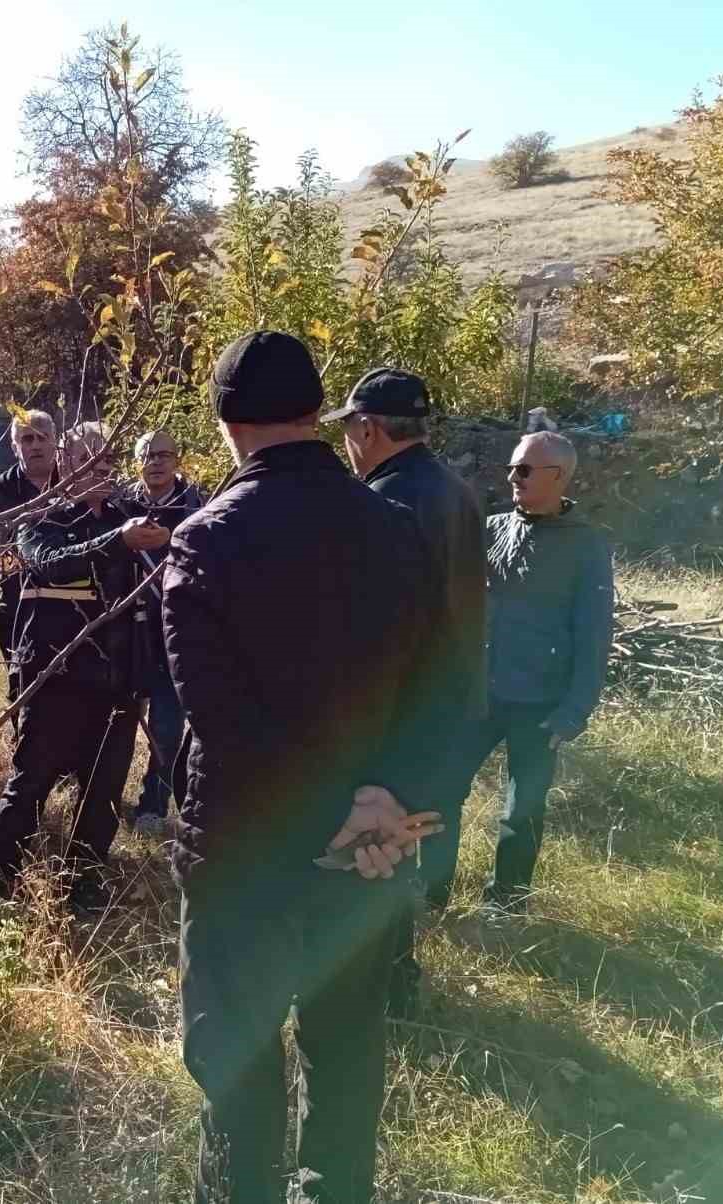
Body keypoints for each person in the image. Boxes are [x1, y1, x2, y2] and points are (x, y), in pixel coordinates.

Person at [163, 330, 441, 1204]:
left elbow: (223, 721)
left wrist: (341, 815)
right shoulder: (396, 527)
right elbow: (438, 683)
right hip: (367, 854)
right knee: (348, 1049)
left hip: (248, 849)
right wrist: (394, 808)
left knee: (237, 1055)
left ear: (224, 422)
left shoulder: (205, 541)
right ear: (320, 413)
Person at [329, 367, 486, 1016]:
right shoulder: (459, 491)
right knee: (400, 856)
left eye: (348, 429)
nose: (346, 442)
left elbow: (372, 632)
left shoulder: (381, 503)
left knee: (370, 862)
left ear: (368, 428)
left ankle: (380, 993)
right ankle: (395, 982)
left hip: (395, 718)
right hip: (451, 711)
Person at [0, 421, 169, 910]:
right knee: (31, 784)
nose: (105, 470)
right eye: (94, 461)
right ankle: (0, 884)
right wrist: (118, 541)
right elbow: (50, 562)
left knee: (104, 793)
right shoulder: (39, 518)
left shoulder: (132, 516)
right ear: (67, 464)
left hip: (119, 684)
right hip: (57, 679)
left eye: (111, 461)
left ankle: (84, 887)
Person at [470, 431, 613, 915]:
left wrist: (574, 712)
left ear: (560, 477)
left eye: (526, 470)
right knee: (440, 787)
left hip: (540, 702)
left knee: (521, 809)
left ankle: (506, 904)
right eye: (513, 467)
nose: (514, 477)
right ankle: (430, 890)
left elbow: (595, 633)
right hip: (478, 695)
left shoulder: (587, 546)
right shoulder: (490, 528)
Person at [126, 428, 205, 837]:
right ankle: (99, 797)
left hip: (174, 631)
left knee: (167, 727)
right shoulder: (121, 505)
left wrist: (173, 539)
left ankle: (154, 804)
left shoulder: (199, 504)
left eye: (163, 454)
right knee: (118, 720)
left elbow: (213, 557)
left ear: (177, 459)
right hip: (125, 634)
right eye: (146, 454)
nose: (155, 461)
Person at [0, 408, 57, 712]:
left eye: (42, 437)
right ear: (14, 447)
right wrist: (23, 568)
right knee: (20, 676)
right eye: (26, 439)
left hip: (67, 596)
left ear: (54, 442)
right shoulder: (1, 490)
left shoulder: (72, 481)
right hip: (16, 598)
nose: (35, 445)